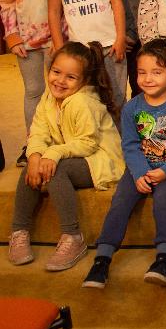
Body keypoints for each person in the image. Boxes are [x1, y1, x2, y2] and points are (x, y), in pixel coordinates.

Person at [82, 39, 166, 289]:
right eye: (142, 72)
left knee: (165, 200)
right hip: (139, 168)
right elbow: (130, 145)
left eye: (157, 72)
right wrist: (140, 173)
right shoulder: (132, 107)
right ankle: (102, 259)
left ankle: (164, 257)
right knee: (120, 200)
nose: (148, 79)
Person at [8, 42, 124, 271]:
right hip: (69, 154)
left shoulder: (83, 102)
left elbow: (87, 143)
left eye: (70, 77)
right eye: (56, 72)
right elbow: (39, 131)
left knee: (54, 171)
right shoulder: (48, 98)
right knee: (33, 166)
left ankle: (73, 236)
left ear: (83, 81)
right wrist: (34, 157)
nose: (60, 81)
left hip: (99, 159)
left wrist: (52, 153)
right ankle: (19, 230)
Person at [1, 0, 62, 167]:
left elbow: (69, 5)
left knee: (61, 91)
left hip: (56, 43)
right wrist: (12, 37)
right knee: (34, 91)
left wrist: (62, 39)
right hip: (26, 43)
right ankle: (33, 143)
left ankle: (60, 142)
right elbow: (7, 2)